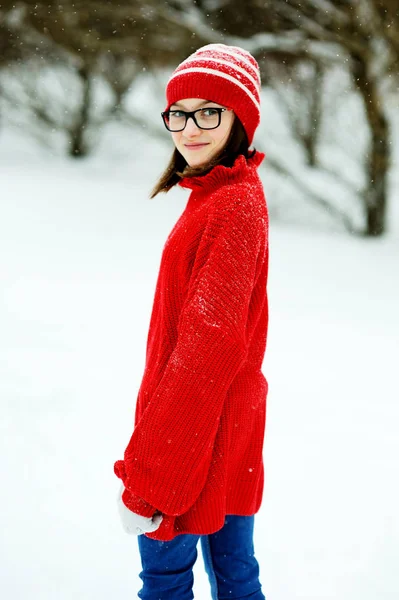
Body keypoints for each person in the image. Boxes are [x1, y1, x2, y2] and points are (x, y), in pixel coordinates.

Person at [114, 43, 269, 600]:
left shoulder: (233, 205)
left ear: (240, 120)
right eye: (179, 112)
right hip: (225, 427)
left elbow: (209, 349)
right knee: (235, 577)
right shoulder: (220, 196)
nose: (189, 127)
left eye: (210, 111)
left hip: (195, 437)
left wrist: (155, 475)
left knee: (166, 583)